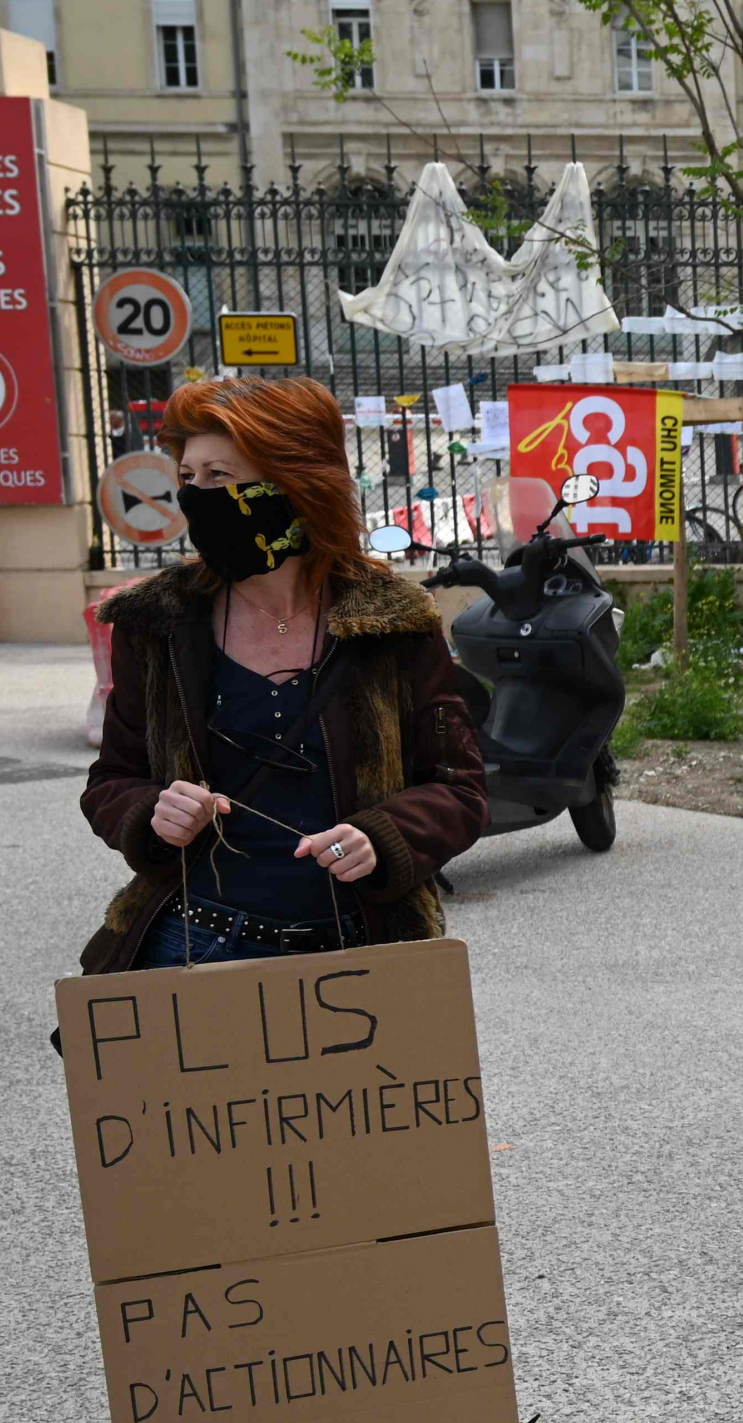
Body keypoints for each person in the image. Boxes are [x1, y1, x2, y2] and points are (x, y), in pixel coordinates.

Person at [78, 374, 489, 974]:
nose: (197, 496)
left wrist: (385, 835)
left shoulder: (394, 623)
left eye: (220, 477)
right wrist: (151, 813)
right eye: (188, 478)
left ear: (294, 486)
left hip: (364, 949)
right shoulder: (157, 623)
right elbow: (112, 780)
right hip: (193, 947)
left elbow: (460, 788)